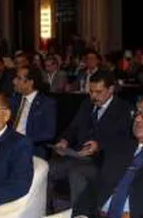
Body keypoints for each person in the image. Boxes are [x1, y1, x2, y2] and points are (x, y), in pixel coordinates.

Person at [49, 72, 132, 209]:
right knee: (48, 168)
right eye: (91, 91)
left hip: (102, 161)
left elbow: (123, 139)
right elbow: (73, 127)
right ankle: (45, 212)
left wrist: (99, 145)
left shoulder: (123, 109)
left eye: (98, 92)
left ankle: (78, 216)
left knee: (77, 173)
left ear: (111, 89)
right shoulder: (87, 103)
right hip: (78, 155)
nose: (94, 96)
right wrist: (64, 141)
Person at [11, 67, 56, 158]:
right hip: (11, 146)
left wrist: (22, 140)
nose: (14, 81)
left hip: (31, 148)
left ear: (30, 82)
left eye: (19, 78)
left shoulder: (46, 103)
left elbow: (49, 133)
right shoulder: (14, 101)